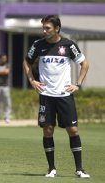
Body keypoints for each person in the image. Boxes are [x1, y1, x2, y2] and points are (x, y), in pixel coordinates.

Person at [23, 15, 90, 178]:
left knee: (73, 130)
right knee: (48, 129)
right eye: (43, 28)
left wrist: (78, 84)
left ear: (57, 28)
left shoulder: (68, 45)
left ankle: (79, 169)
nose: (44, 31)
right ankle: (51, 169)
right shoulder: (38, 45)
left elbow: (84, 64)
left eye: (47, 28)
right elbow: (27, 61)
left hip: (64, 95)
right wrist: (32, 80)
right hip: (46, 95)